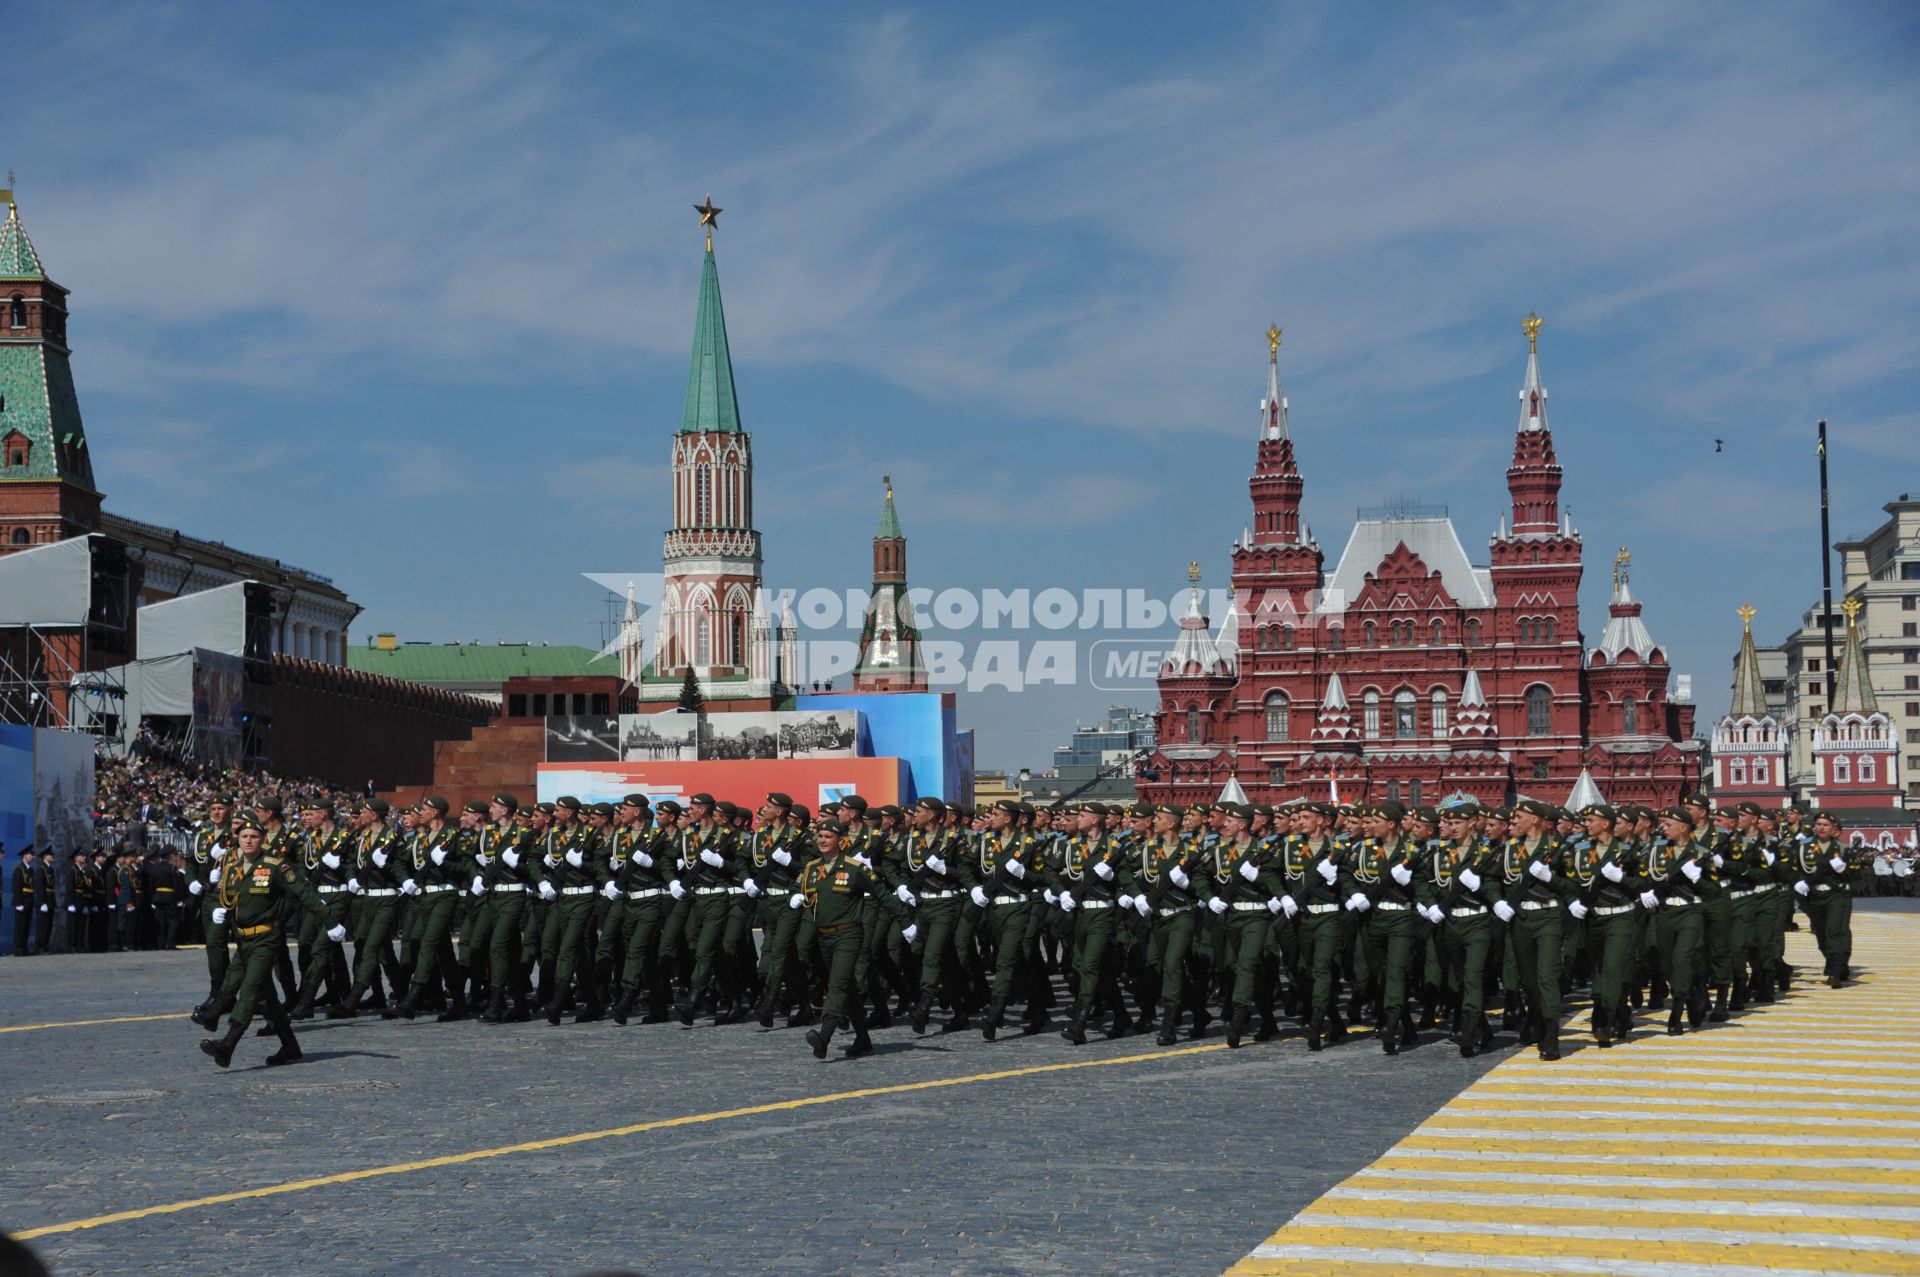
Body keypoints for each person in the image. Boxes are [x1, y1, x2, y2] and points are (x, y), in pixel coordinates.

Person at [198, 819, 333, 1069]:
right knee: (263, 997)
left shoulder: (275, 866)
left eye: (253, 836)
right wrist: (223, 911)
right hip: (243, 938)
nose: (248, 840)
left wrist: (331, 922)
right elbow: (234, 898)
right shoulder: (235, 867)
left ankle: (227, 1045)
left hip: (266, 938)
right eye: (243, 836)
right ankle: (290, 1045)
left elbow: (303, 893)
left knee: (250, 990)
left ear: (263, 840)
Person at [11, 849, 37, 954]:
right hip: (22, 900)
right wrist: (18, 903)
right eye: (30, 854)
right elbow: (16, 887)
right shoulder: (19, 869)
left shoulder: (30, 870)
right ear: (25, 855)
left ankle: (24, 947)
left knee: (26, 926)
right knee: (20, 926)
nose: (32, 856)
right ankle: (18, 949)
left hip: (29, 900)